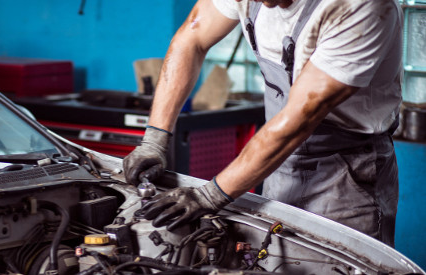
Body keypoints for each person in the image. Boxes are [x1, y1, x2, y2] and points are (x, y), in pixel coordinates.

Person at [123, 0, 402, 246]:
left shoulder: (360, 7)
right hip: (278, 163)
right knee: (273, 259)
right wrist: (154, 139)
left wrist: (208, 197)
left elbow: (300, 118)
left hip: (346, 176)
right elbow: (192, 37)